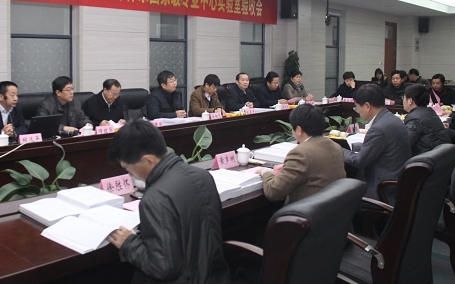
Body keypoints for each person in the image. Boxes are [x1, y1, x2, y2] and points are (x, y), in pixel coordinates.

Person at [106, 119, 230, 283]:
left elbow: (163, 268)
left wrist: (129, 243)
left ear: (148, 160)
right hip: (216, 277)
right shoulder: (203, 175)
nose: (130, 175)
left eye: (128, 168)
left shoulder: (155, 199)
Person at [256, 104, 345, 205]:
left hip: (307, 211)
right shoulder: (335, 146)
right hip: (333, 209)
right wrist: (288, 167)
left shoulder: (300, 153)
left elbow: (273, 192)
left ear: (299, 130)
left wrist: (266, 171)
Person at [344, 84, 411, 203]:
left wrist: (337, 149)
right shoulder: (392, 119)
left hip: (381, 189)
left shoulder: (379, 128)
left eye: (357, 108)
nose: (357, 112)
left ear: (367, 106)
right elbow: (378, 146)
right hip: (397, 181)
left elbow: (359, 161)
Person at [403, 84, 451, 156]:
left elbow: (405, 143)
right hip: (441, 155)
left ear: (410, 101)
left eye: (404, 98)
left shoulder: (415, 118)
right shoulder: (430, 112)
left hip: (426, 158)